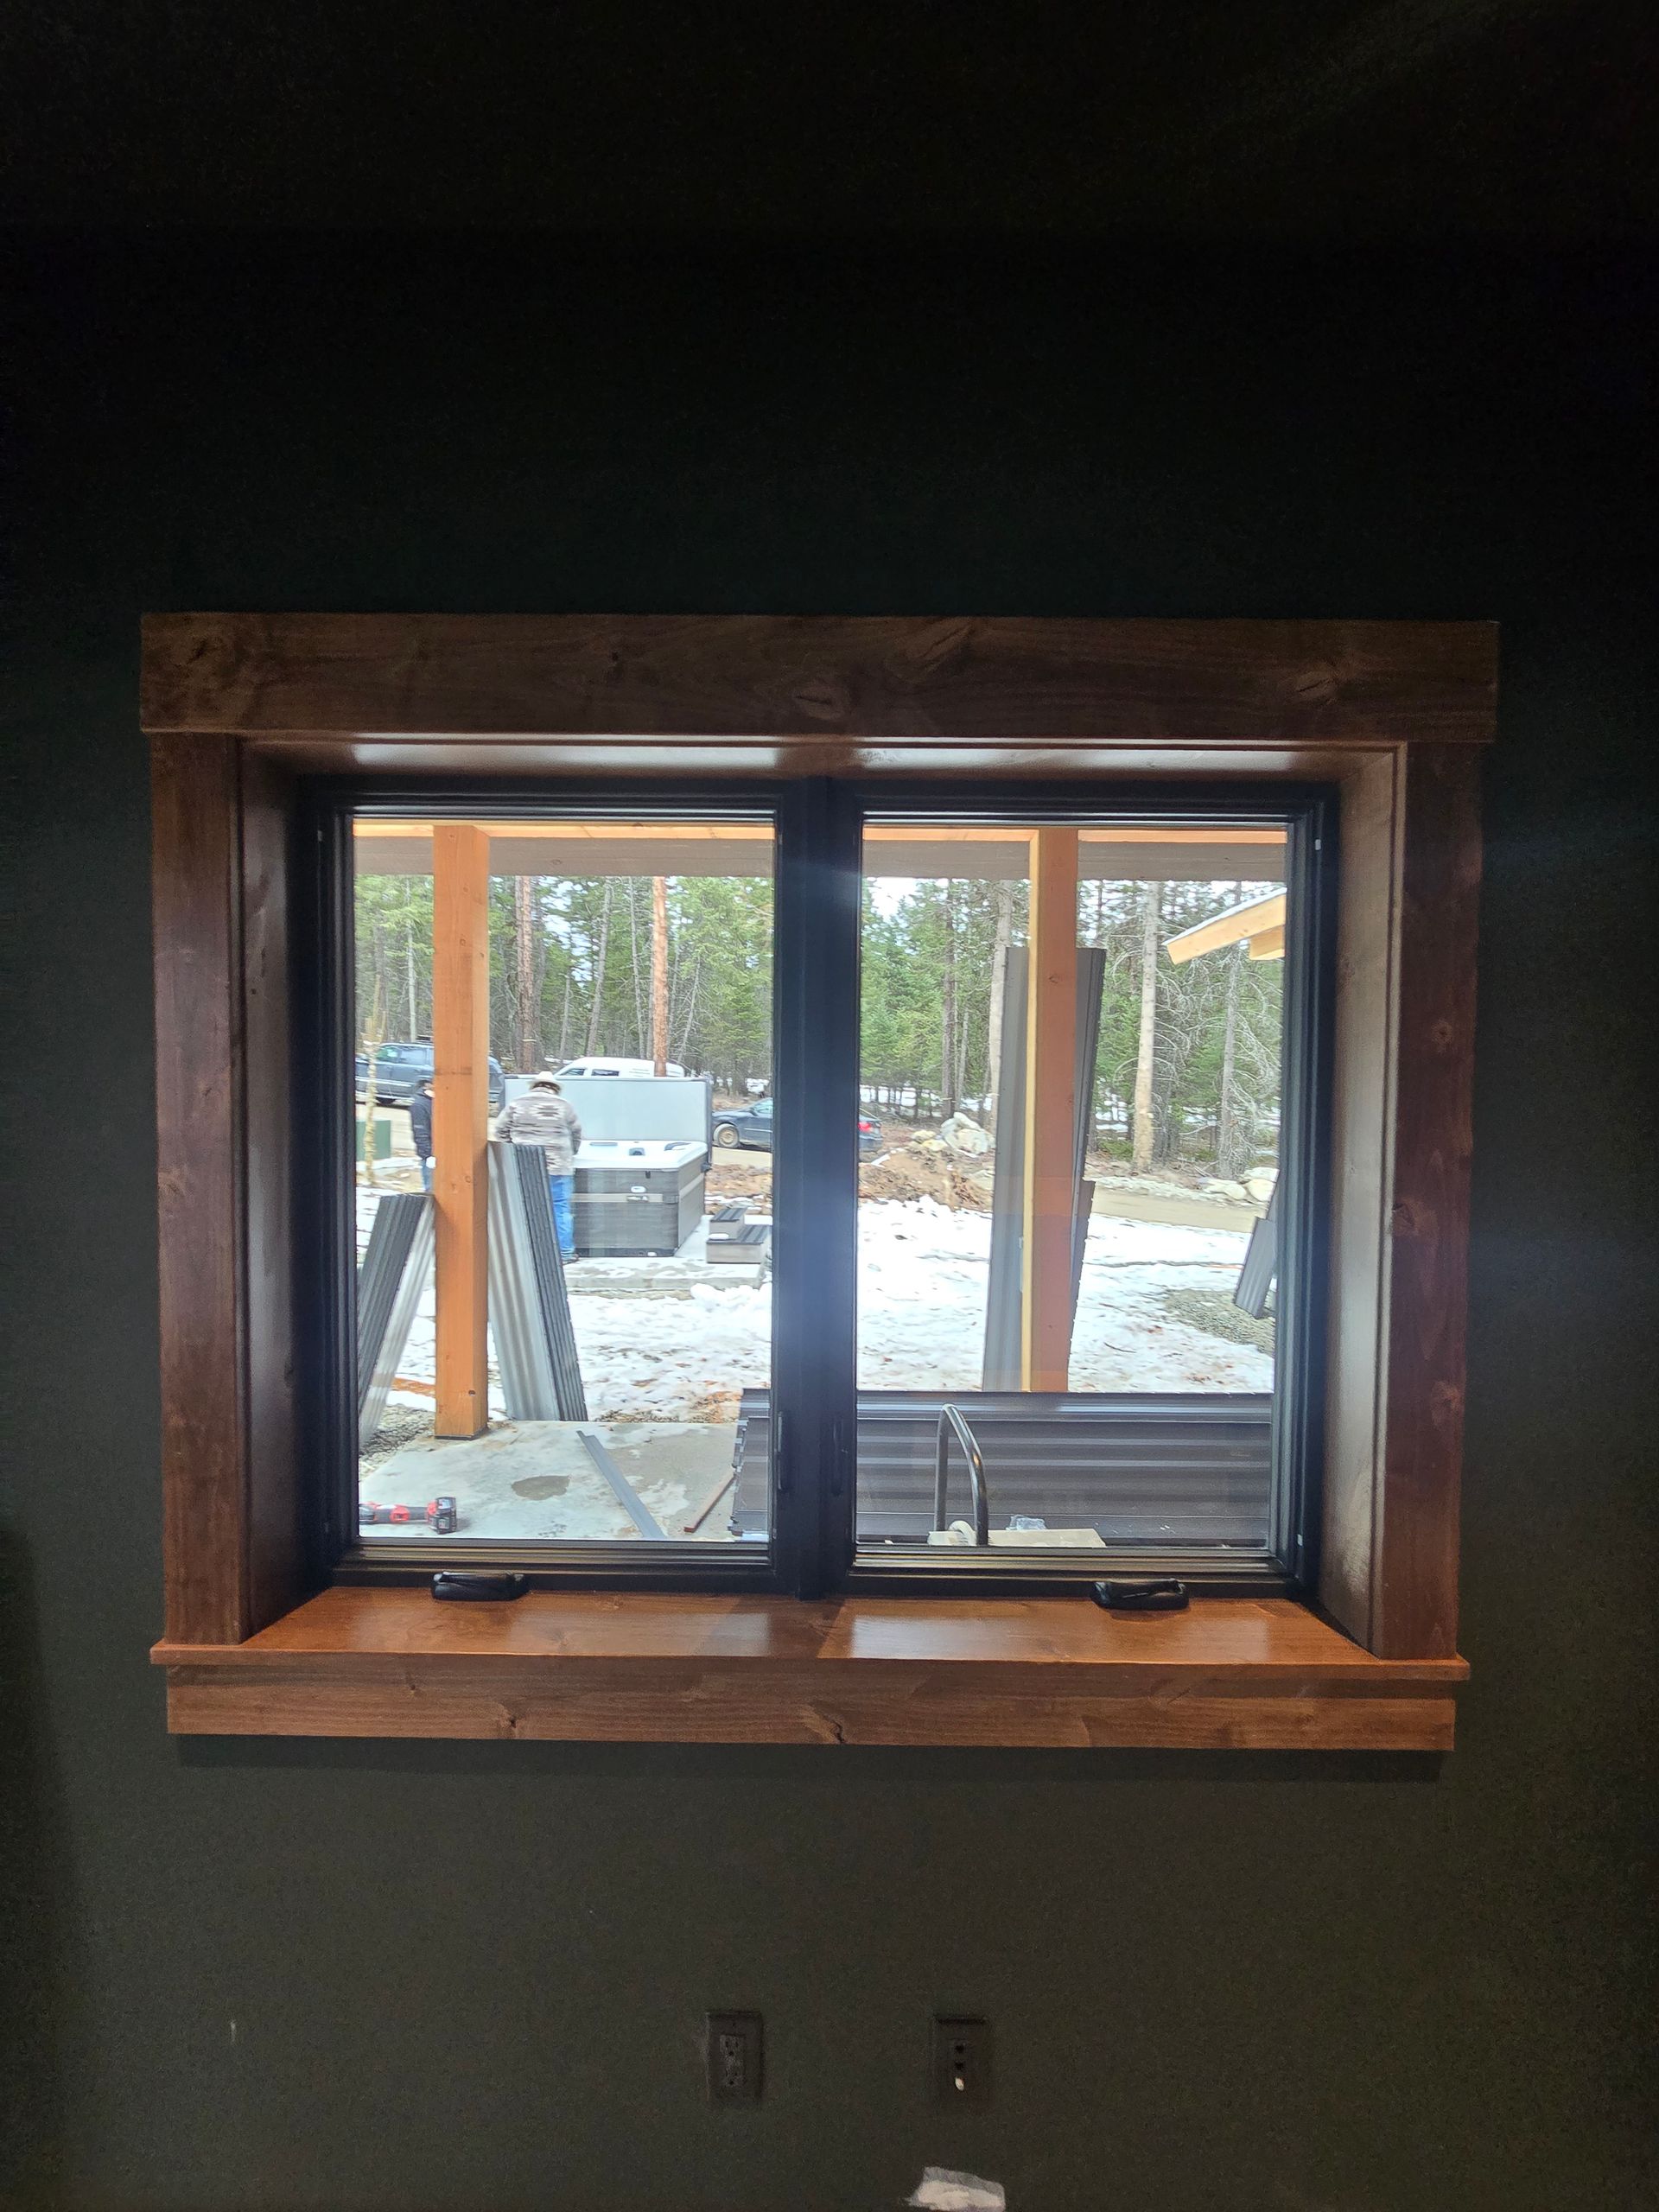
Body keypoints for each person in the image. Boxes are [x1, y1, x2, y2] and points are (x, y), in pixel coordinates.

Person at [493, 1072, 582, 1259]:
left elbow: (500, 1131)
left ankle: (525, 1254)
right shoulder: (564, 1106)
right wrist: (569, 1153)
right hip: (558, 1166)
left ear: (534, 1086)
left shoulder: (516, 1104)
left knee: (524, 1207)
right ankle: (564, 1252)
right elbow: (576, 1134)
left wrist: (514, 1148)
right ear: (554, 1088)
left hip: (526, 1166)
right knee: (560, 1207)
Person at [408, 1078, 435, 1192]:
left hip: (438, 1156)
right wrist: (428, 1155)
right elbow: (420, 1134)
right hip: (431, 1157)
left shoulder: (434, 1103)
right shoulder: (420, 1106)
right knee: (432, 1191)